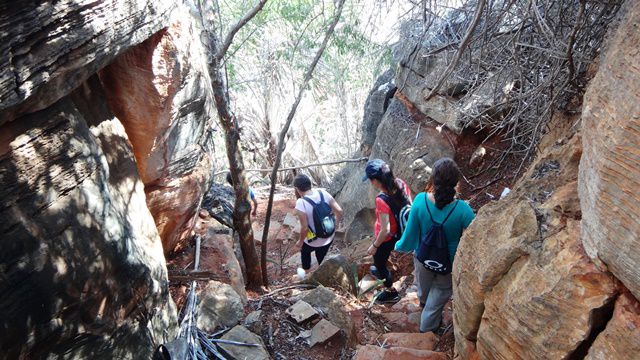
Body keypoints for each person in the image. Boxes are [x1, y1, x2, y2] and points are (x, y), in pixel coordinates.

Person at [395, 158, 475, 333]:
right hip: (448, 262)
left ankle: (423, 305)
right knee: (441, 291)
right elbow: (478, 235)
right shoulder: (462, 210)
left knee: (423, 287)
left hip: (423, 257)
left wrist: (399, 245)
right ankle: (428, 326)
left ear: (433, 180)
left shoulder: (420, 201)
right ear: (456, 183)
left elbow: (409, 235)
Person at [363, 159, 412, 304]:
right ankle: (381, 269)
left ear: (376, 180)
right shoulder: (400, 184)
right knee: (380, 259)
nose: (371, 183)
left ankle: (391, 292)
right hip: (400, 231)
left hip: (387, 238)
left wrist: (375, 245)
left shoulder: (381, 199)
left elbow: (385, 230)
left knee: (378, 262)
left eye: (371, 180)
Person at [293, 174, 343, 278]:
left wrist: (300, 242)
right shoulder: (322, 192)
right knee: (321, 255)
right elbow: (339, 211)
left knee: (305, 252)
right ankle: (324, 273)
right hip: (328, 236)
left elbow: (304, 228)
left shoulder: (301, 202)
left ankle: (306, 274)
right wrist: (336, 225)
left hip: (313, 241)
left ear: (297, 189)